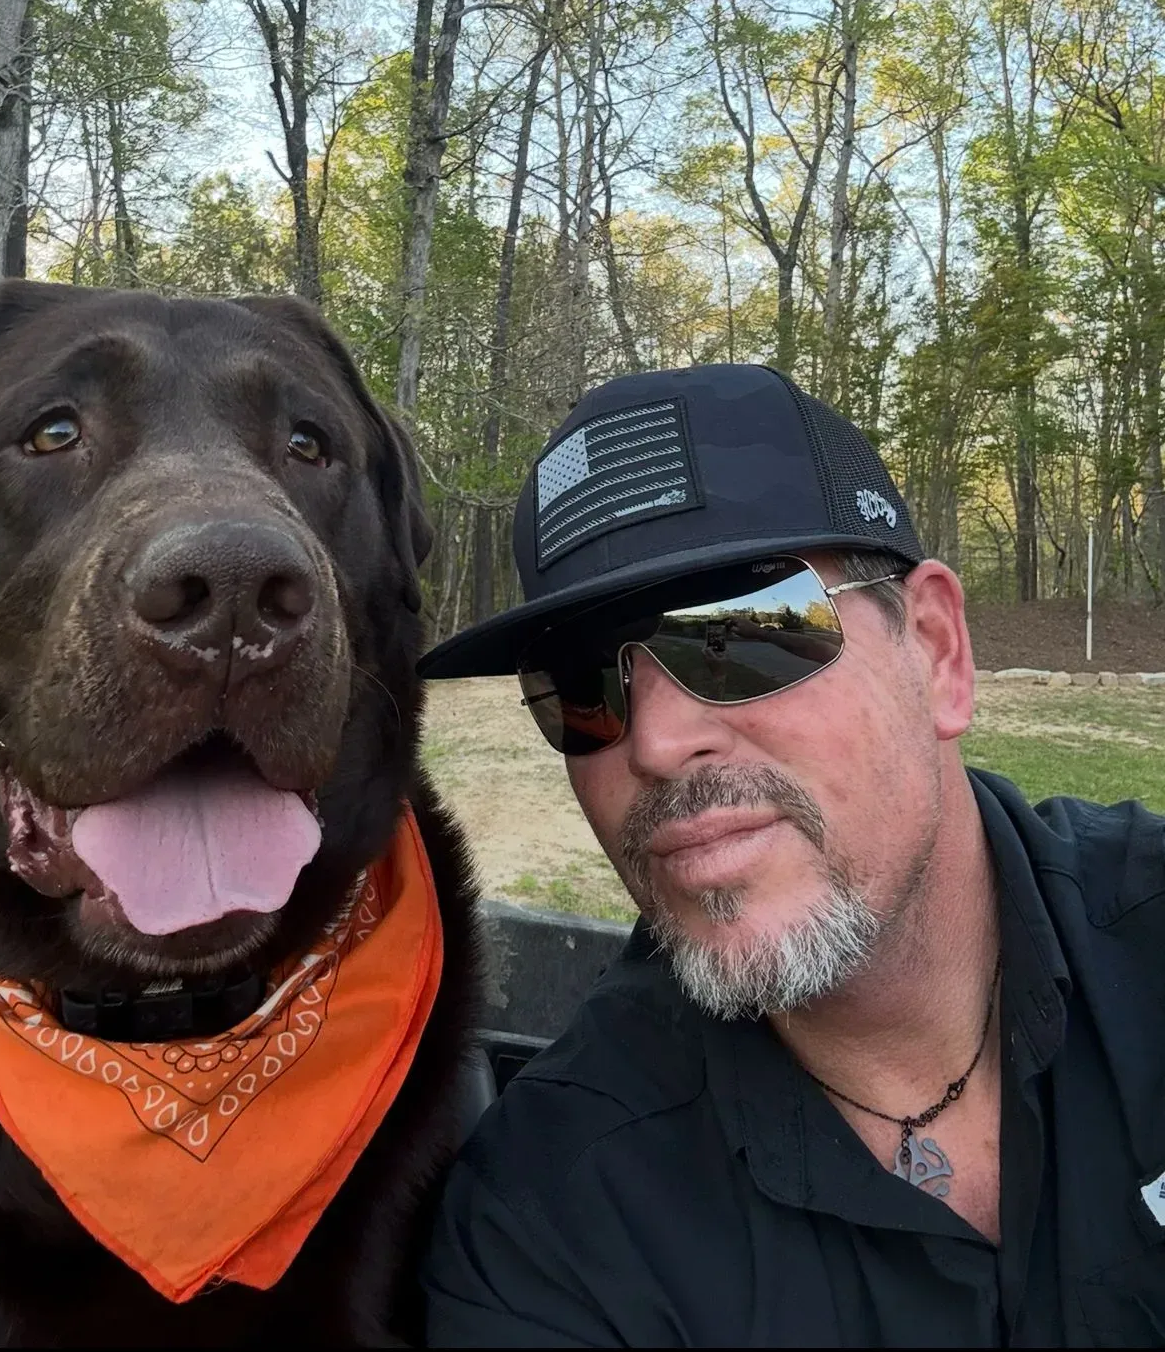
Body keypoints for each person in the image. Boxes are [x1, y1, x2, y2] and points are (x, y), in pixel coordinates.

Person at [417, 363, 1165, 1348]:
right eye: (582, 686)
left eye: (741, 631)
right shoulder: (551, 1227)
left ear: (936, 651)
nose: (655, 742)